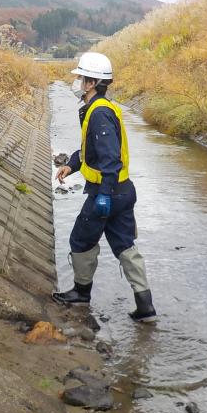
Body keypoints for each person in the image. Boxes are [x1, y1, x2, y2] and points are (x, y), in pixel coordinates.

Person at [53, 52, 157, 322]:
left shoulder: (98, 114)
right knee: (124, 244)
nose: (76, 82)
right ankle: (145, 306)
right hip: (123, 191)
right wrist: (72, 165)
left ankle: (81, 292)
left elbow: (110, 157)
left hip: (107, 191)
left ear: (91, 83)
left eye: (79, 78)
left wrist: (103, 196)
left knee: (80, 239)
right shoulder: (101, 108)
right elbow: (91, 150)